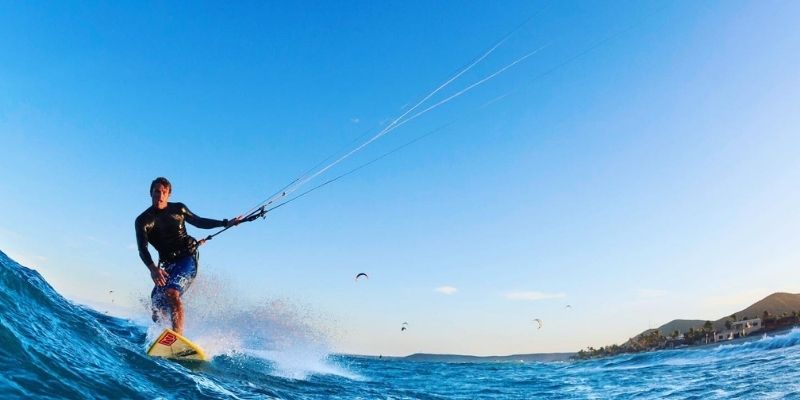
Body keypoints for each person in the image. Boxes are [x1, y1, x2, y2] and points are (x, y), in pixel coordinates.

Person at [135, 177, 240, 335]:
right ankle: (162, 335)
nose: (160, 195)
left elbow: (199, 221)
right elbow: (142, 248)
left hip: (187, 258)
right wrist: (152, 269)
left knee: (171, 292)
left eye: (164, 192)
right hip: (168, 264)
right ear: (151, 193)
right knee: (156, 302)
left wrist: (225, 223)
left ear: (169, 194)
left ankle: (177, 336)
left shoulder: (178, 209)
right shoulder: (142, 220)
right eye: (157, 191)